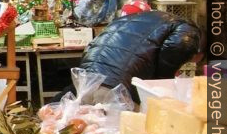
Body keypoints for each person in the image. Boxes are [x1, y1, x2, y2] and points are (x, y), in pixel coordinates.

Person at [54, 10, 202, 104]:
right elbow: (176, 48)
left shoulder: (140, 18)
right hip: (115, 89)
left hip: (85, 81)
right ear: (199, 52)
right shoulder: (188, 29)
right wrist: (163, 82)